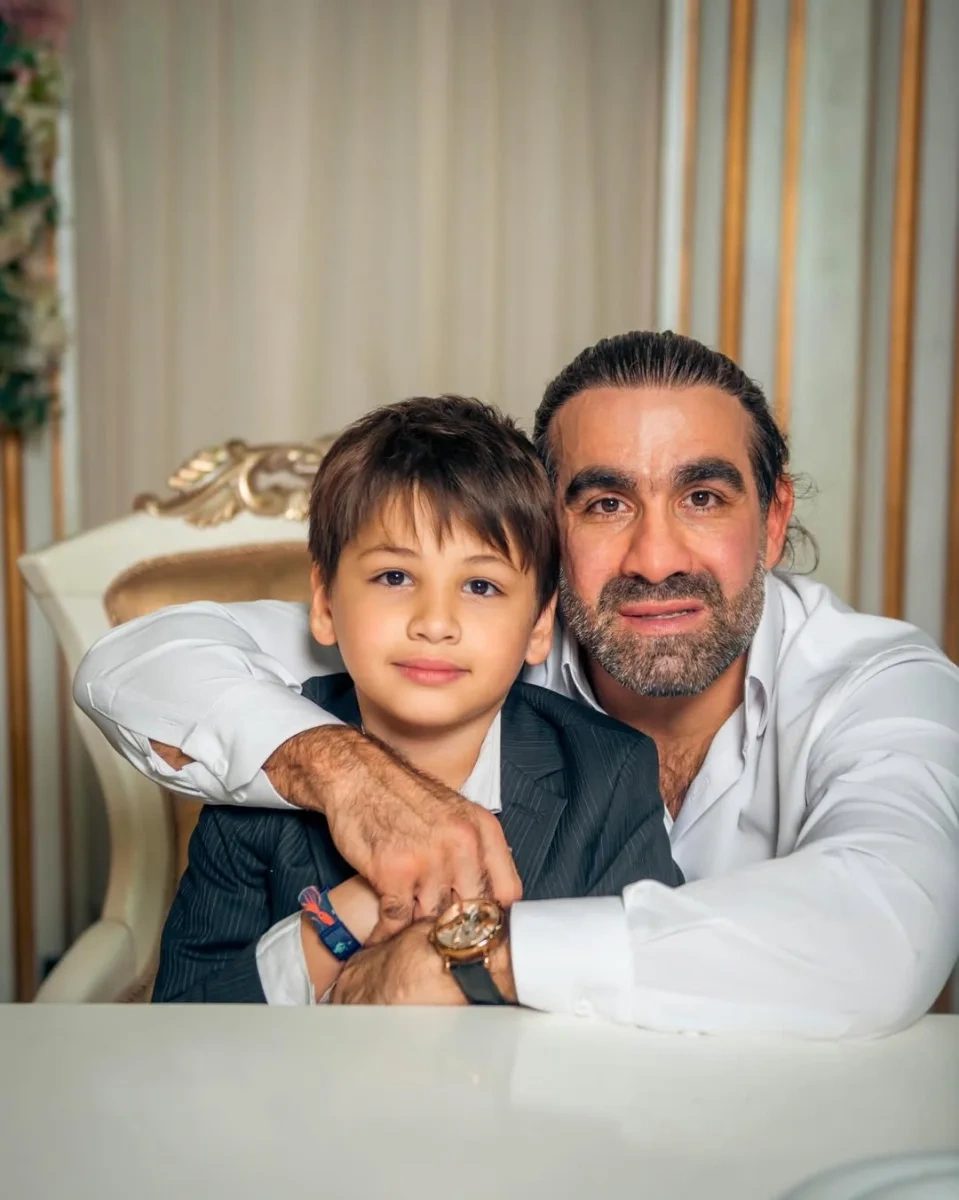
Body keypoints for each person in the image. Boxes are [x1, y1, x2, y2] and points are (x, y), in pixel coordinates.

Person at [75, 331, 959, 1036]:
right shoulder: (463, 641)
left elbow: (887, 927)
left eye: (702, 498)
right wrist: (346, 775)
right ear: (547, 533)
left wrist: (477, 954)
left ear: (770, 522)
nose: (655, 559)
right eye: (604, 503)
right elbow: (138, 660)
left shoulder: (879, 685)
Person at [152, 395, 681, 1003]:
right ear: (324, 602)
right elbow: (182, 1019)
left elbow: (651, 985)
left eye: (480, 585)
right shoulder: (269, 770)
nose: (434, 622)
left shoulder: (608, 772)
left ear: (540, 624)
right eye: (395, 577)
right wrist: (347, 916)